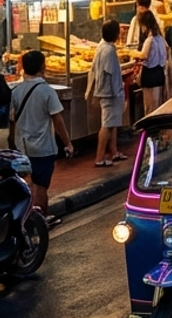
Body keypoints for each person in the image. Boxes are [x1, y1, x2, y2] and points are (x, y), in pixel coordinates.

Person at [9, 51, 73, 212]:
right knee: (41, 186)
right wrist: (68, 143)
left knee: (27, 184)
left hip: (23, 146)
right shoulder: (47, 91)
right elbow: (57, 120)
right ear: (42, 67)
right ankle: (41, 219)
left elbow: (12, 120)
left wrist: (12, 140)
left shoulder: (16, 91)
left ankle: (29, 218)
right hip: (43, 148)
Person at [85, 20, 125, 167]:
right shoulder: (108, 50)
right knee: (107, 125)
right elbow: (109, 73)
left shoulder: (104, 47)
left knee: (111, 123)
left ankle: (113, 152)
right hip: (109, 93)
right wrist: (117, 92)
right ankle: (99, 157)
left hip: (108, 92)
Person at [137, 11, 170, 113]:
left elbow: (144, 55)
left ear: (144, 25)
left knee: (150, 108)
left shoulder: (150, 40)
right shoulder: (160, 38)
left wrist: (132, 53)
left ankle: (150, 129)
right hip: (159, 73)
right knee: (158, 105)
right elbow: (168, 49)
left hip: (149, 75)